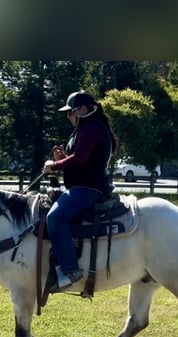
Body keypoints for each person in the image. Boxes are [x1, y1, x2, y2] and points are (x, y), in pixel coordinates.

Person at [43, 90, 118, 292]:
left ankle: (70, 270)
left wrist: (54, 166)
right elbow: (78, 158)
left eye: (70, 112)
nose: (68, 117)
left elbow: (81, 160)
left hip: (88, 187)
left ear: (83, 110)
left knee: (55, 218)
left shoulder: (92, 128)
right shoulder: (86, 127)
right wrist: (63, 158)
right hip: (82, 185)